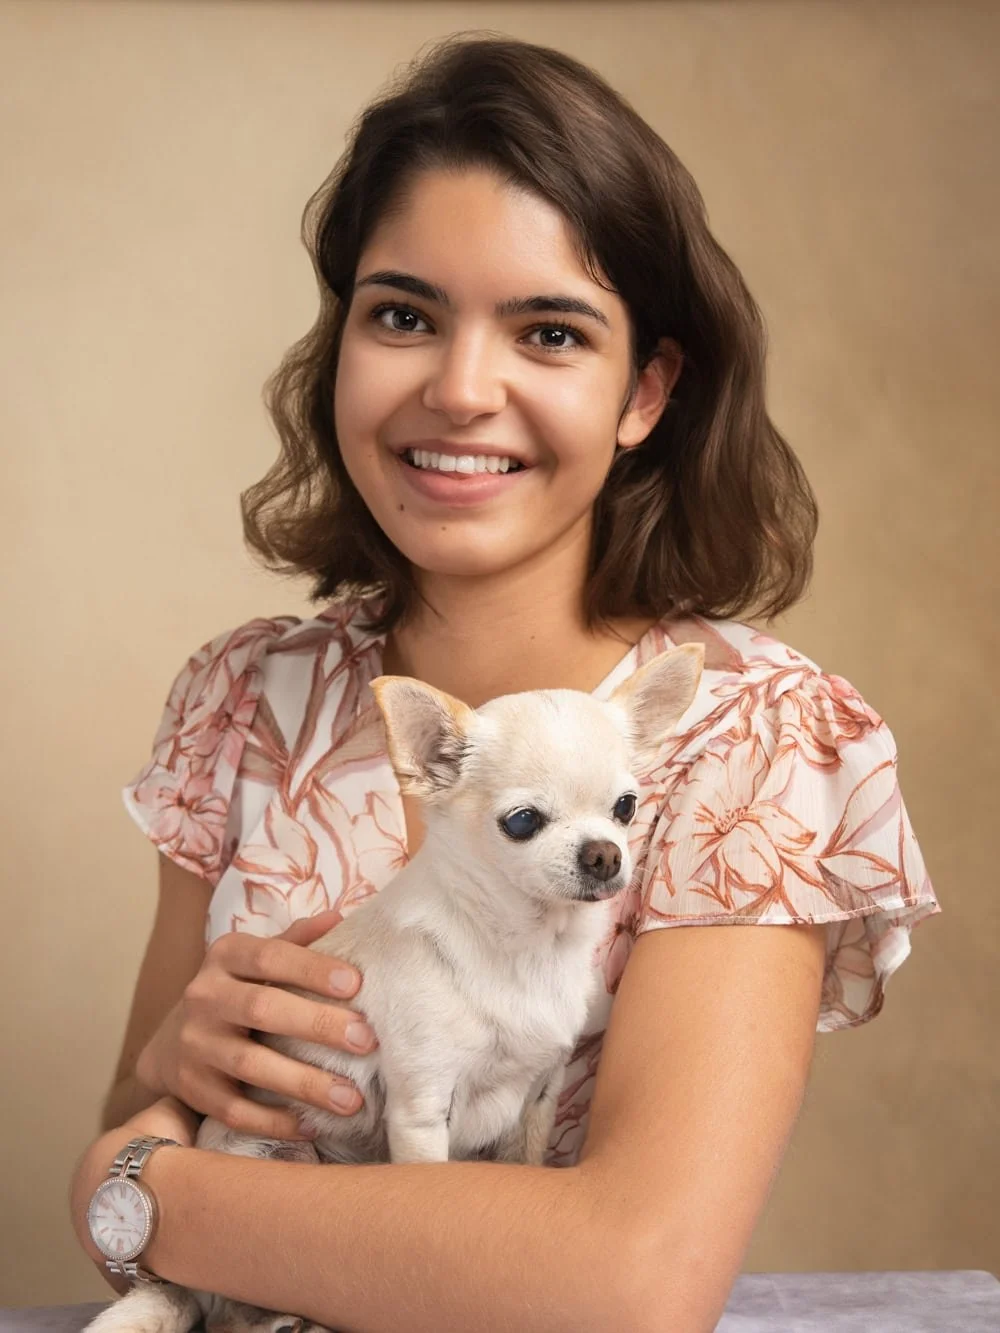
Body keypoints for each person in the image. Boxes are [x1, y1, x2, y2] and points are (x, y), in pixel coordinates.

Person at [69, 31, 940, 1333]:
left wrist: (146, 1186)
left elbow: (629, 1282)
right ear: (343, 342)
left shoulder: (754, 736)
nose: (461, 390)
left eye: (549, 331)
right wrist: (155, 1099)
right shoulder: (247, 698)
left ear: (646, 390)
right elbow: (137, 1164)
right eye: (405, 314)